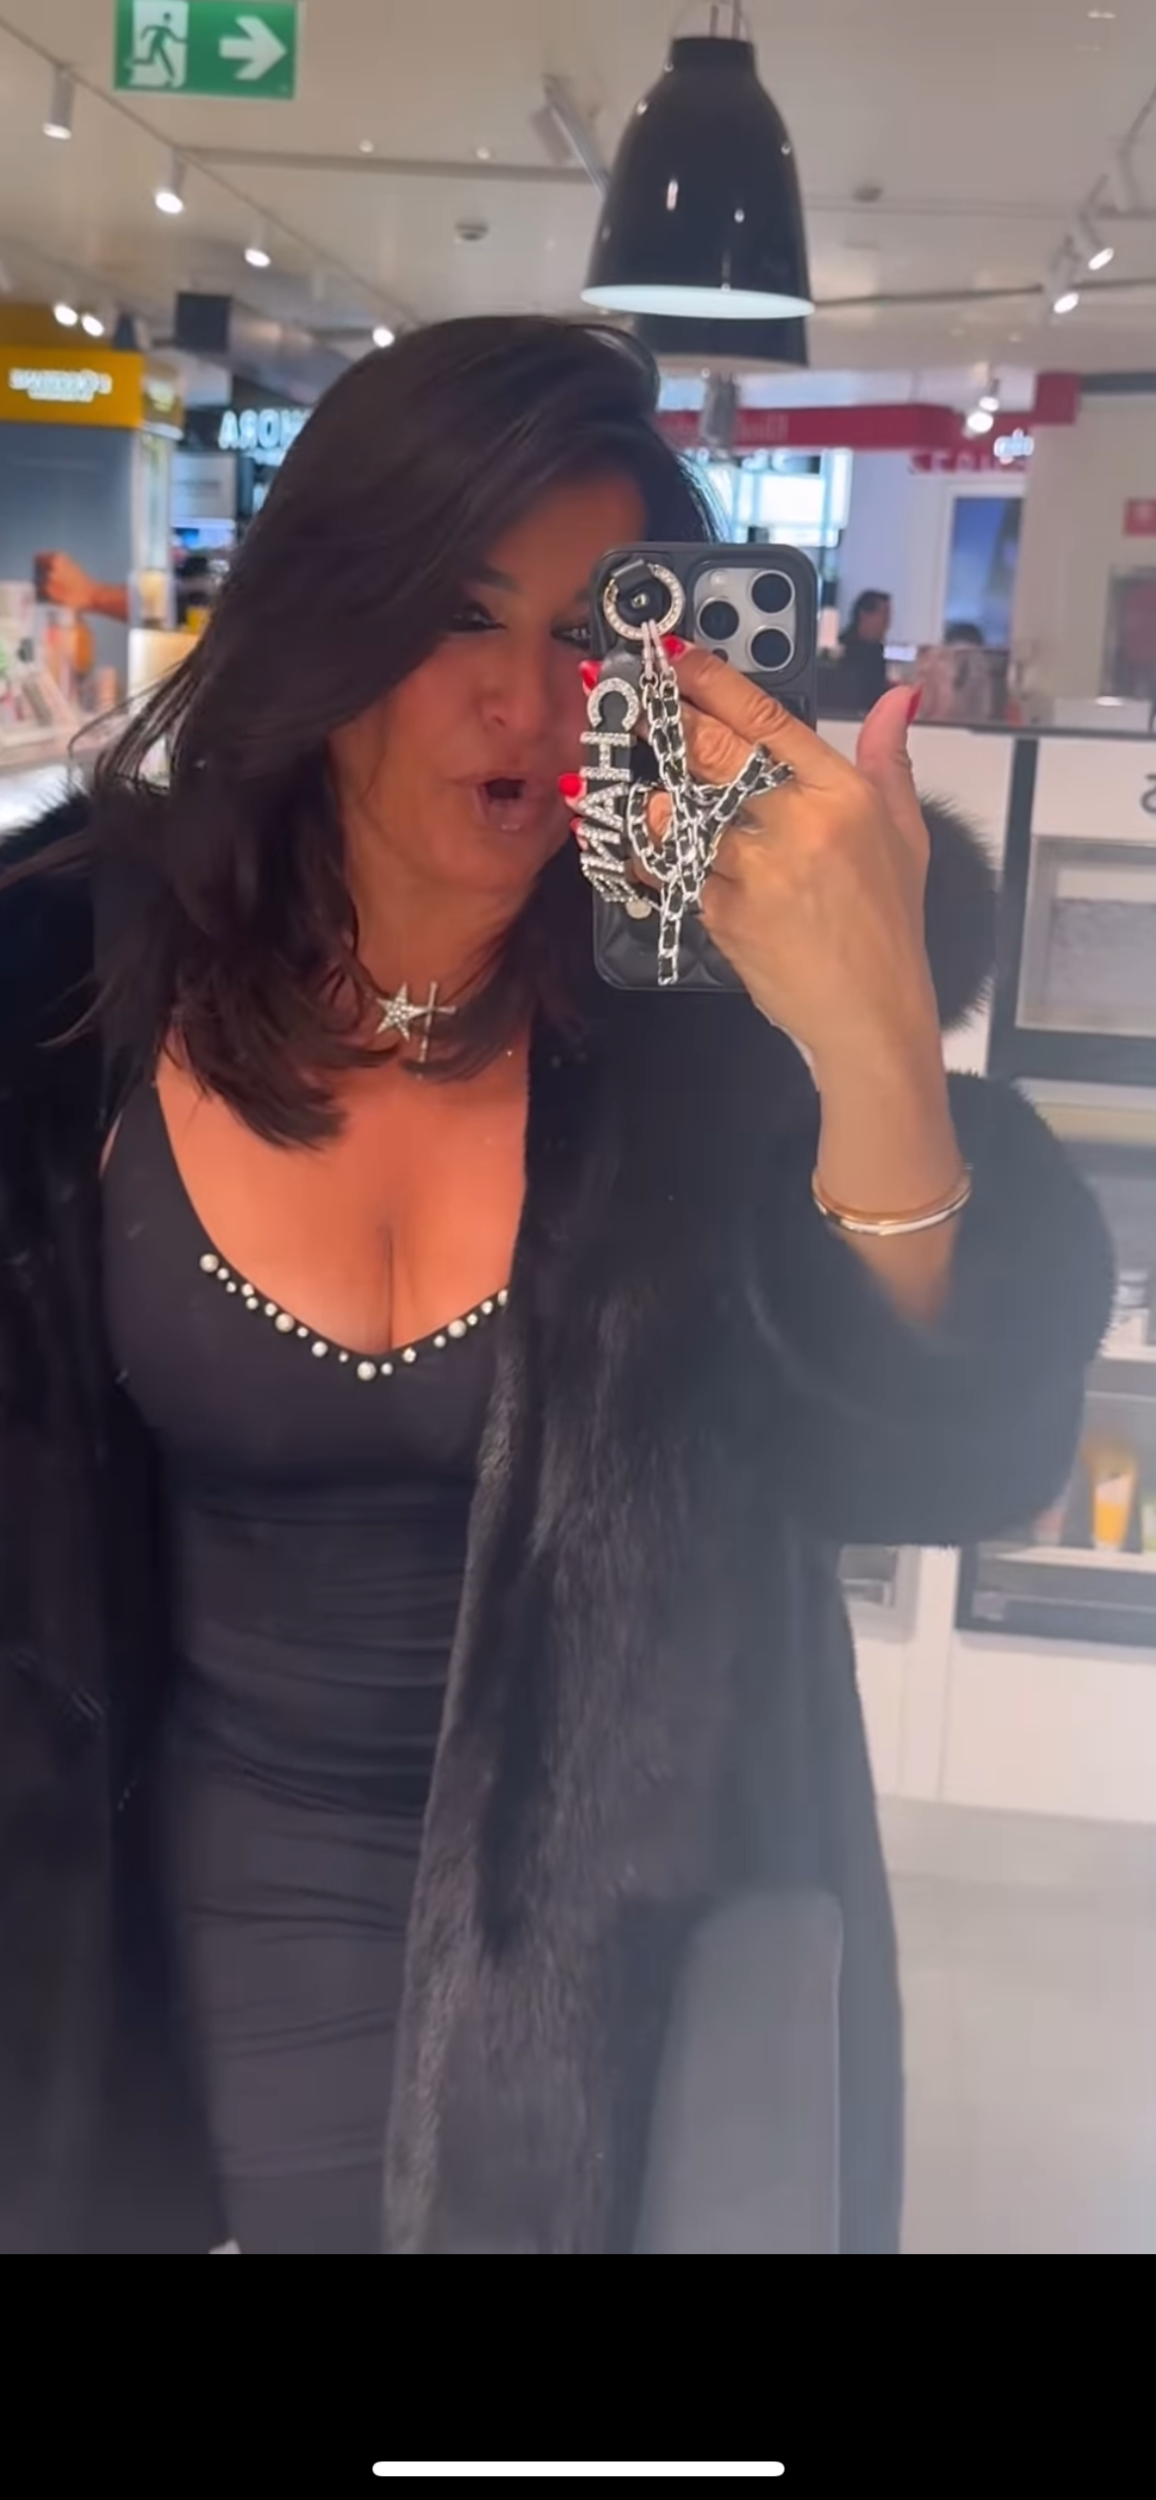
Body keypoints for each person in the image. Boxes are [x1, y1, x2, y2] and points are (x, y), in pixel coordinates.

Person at [0, 317, 1111, 2258]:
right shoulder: (75, 990)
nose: (521, 699)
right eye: (456, 613)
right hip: (132, 2017)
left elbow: (938, 1453)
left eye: (591, 631)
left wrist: (869, 1040)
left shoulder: (708, 1034)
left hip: (612, 2044)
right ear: (329, 622)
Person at [821, 588, 892, 718]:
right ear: (864, 615)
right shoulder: (840, 652)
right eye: (884, 616)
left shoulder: (876, 652)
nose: (887, 624)